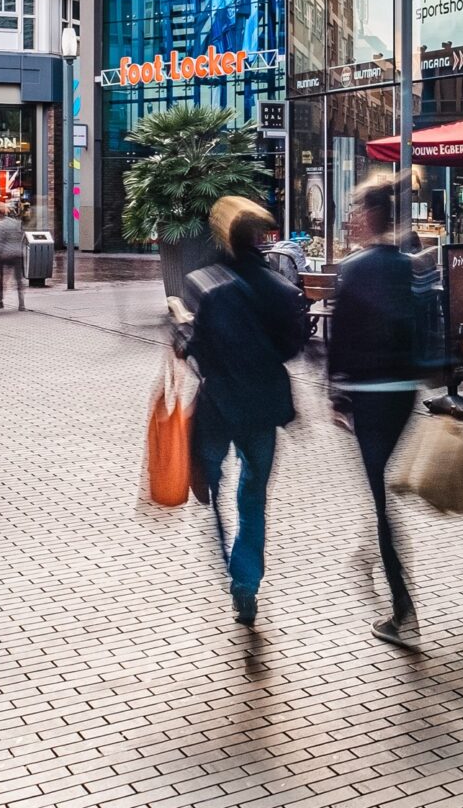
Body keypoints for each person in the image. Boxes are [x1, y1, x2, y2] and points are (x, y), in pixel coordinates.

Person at [176, 197, 309, 626]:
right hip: (263, 408)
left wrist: (185, 334)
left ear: (228, 240)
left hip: (218, 406)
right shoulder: (282, 290)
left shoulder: (212, 288)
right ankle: (245, 581)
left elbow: (196, 349)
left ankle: (227, 558)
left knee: (212, 485)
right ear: (261, 239)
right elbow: (292, 347)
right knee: (253, 496)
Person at [329, 176, 430, 649]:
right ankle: (374, 550)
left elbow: (340, 338)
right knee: (381, 487)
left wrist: (337, 395)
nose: (352, 219)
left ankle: (403, 611)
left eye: (355, 211)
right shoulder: (411, 267)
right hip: (404, 392)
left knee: (381, 501)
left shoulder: (354, 269)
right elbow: (428, 325)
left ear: (370, 216)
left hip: (369, 394)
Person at [0, 199, 28, 310]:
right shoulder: (16, 223)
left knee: (0, 279)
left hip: (3, 255)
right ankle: (22, 304)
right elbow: (21, 236)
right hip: (17, 253)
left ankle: (0, 301)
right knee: (19, 280)